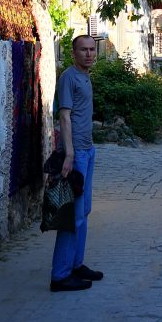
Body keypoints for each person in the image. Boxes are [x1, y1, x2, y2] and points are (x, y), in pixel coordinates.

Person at [50, 34, 103, 292]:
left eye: (92, 49)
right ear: (74, 53)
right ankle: (60, 276)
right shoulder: (69, 78)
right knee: (72, 215)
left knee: (84, 212)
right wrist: (69, 154)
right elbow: (64, 117)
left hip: (88, 151)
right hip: (76, 155)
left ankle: (76, 265)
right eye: (84, 50)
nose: (89, 54)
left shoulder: (85, 76)